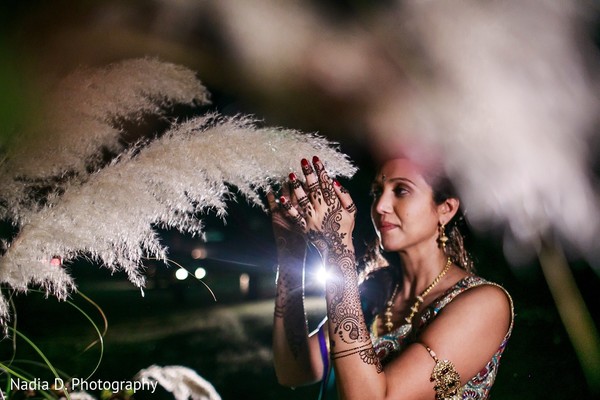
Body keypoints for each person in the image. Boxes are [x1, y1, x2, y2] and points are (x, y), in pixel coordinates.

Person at [268, 154, 513, 400]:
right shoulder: (375, 290)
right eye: (377, 192)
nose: (380, 206)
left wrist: (336, 250)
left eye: (401, 190)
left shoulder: (485, 304)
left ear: (445, 209)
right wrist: (290, 249)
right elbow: (294, 370)